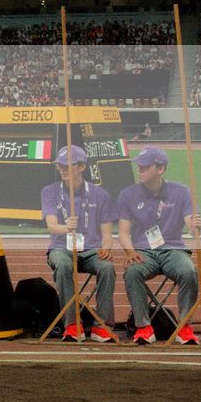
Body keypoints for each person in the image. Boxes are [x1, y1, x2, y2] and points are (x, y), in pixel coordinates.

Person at [115, 146, 201, 344]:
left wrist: (197, 226)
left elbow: (192, 226)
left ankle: (184, 327)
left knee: (189, 272)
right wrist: (130, 252)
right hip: (143, 251)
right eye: (139, 166)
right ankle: (144, 327)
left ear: (160, 169)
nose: (140, 170)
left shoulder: (181, 192)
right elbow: (122, 232)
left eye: (145, 167)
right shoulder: (127, 195)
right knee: (132, 272)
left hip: (173, 250)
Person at [41, 145, 117, 341]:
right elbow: (51, 225)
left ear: (82, 166)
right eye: (60, 166)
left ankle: (102, 324)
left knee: (107, 267)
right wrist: (66, 227)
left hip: (91, 250)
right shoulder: (49, 191)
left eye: (68, 165)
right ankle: (72, 324)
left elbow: (107, 233)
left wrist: (106, 249)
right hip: (61, 248)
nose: (63, 170)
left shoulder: (101, 195)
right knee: (64, 265)